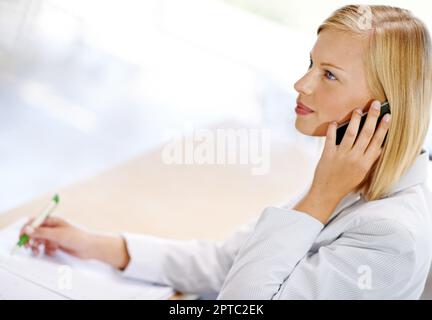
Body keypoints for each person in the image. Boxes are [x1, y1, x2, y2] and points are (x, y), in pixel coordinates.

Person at [20, 5, 432, 299]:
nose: (301, 84)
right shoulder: (353, 174)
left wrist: (319, 198)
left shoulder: (391, 236)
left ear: (386, 108)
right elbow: (228, 262)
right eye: (311, 63)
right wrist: (99, 245)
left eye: (328, 75)